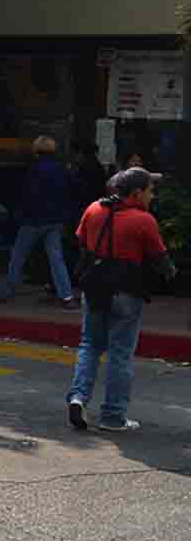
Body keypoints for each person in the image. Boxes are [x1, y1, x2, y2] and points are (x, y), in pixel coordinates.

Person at [67, 168, 176, 434]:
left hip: (95, 290)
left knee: (90, 345)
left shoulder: (93, 209)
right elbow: (161, 260)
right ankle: (113, 416)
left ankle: (78, 398)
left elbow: (80, 241)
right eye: (151, 190)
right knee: (120, 353)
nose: (153, 195)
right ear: (137, 193)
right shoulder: (143, 220)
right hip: (127, 292)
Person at [0, 136, 74, 307]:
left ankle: (7, 291)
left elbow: (27, 195)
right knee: (56, 258)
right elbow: (68, 193)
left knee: (18, 256)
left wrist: (20, 214)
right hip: (55, 220)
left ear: (36, 150)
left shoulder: (33, 169)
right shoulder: (61, 169)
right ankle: (67, 296)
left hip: (33, 220)